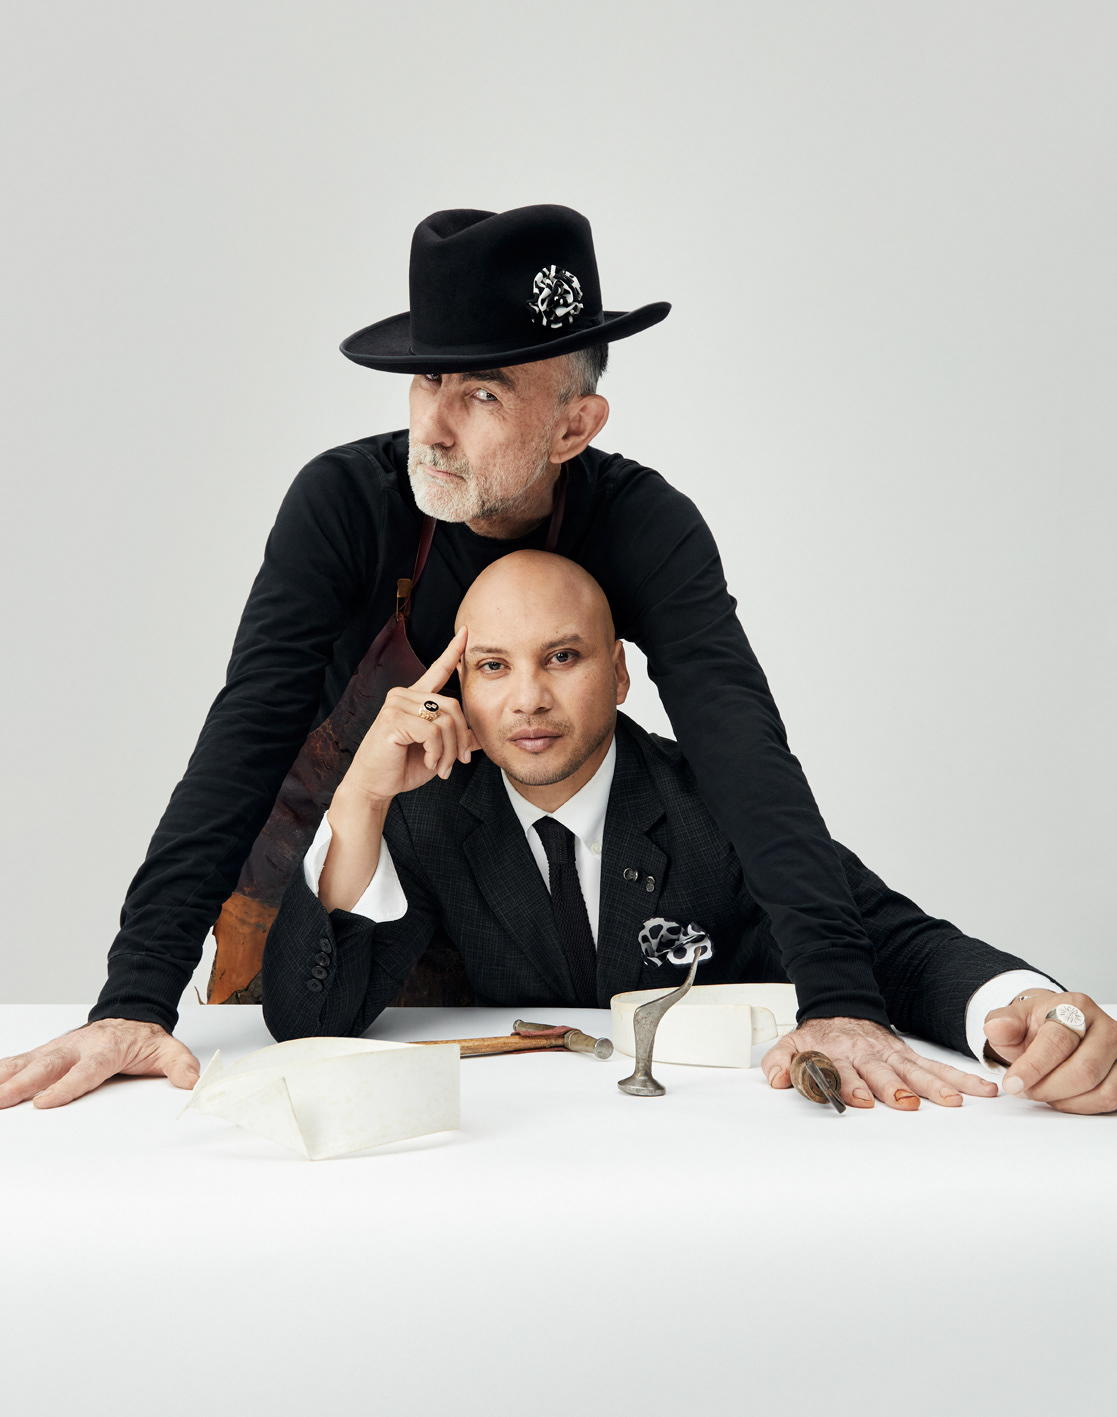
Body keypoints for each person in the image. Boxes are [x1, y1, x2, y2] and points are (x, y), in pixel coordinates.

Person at [0, 203, 1091, 1112]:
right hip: (347, 862)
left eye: (479, 394)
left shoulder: (644, 525)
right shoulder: (345, 504)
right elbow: (241, 742)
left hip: (535, 885)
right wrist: (134, 997)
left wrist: (840, 998)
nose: (434, 426)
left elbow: (741, 750)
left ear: (574, 427)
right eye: (426, 383)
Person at [262, 552, 1116, 1113]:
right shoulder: (430, 809)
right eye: (492, 666)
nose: (527, 699)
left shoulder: (715, 800)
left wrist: (1019, 1007)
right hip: (516, 1166)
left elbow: (890, 942)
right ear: (458, 688)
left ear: (619, 673)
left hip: (722, 1158)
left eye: (562, 656)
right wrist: (359, 798)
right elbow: (308, 1018)